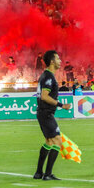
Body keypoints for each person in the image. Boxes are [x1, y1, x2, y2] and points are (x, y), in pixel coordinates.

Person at [33, 49, 72, 180]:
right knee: (58, 141)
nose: (60, 61)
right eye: (58, 59)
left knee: (49, 142)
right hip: (46, 113)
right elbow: (44, 96)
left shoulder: (46, 75)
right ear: (51, 61)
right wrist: (62, 105)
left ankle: (39, 172)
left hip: (43, 113)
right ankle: (47, 174)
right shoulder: (48, 77)